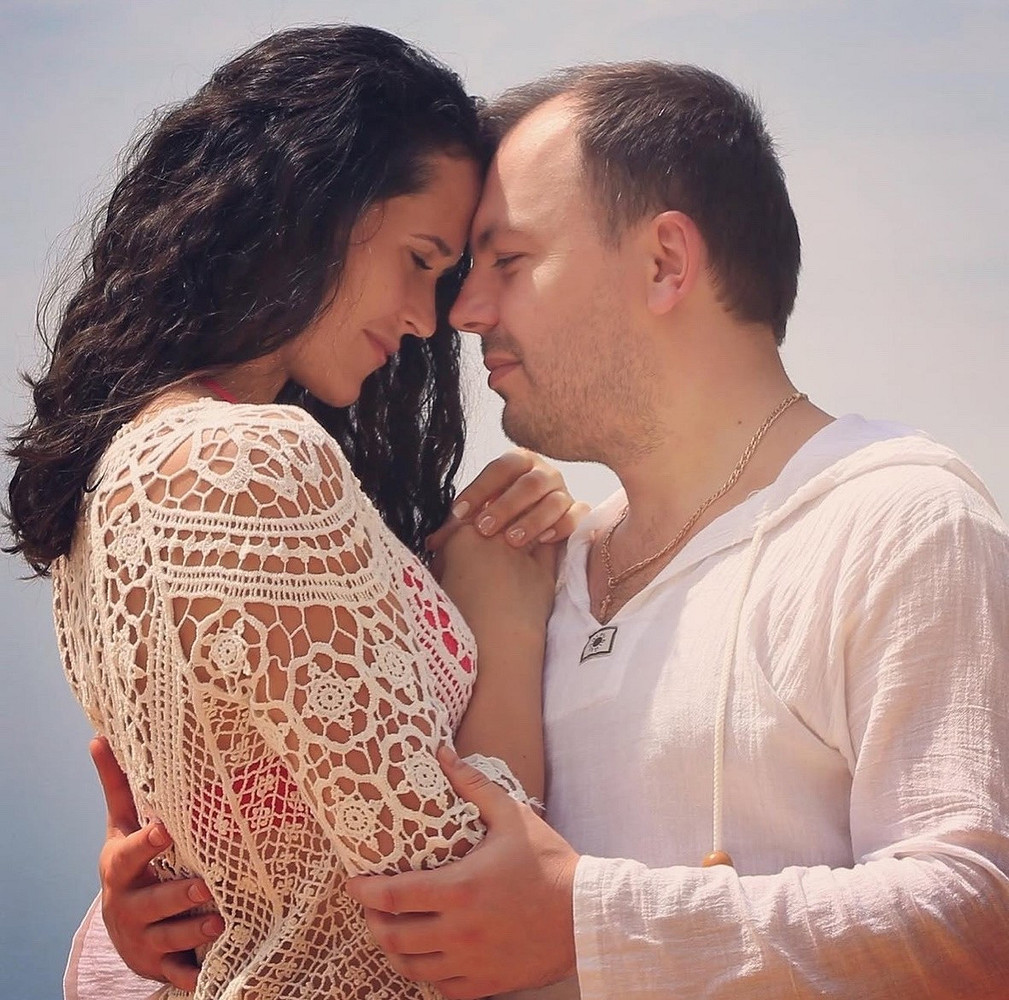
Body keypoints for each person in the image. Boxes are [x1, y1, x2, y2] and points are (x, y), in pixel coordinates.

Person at [92, 62, 1009, 999]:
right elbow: (357, 887)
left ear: (664, 262)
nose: (461, 313)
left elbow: (978, 916)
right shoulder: (521, 571)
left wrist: (586, 921)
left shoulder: (893, 518)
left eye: (508, 262)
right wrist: (154, 919)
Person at [6, 25, 584, 1000]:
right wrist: (506, 614)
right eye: (419, 259)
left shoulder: (121, 469)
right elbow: (457, 900)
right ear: (309, 205)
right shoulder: (246, 462)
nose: (425, 318)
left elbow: (253, 847)